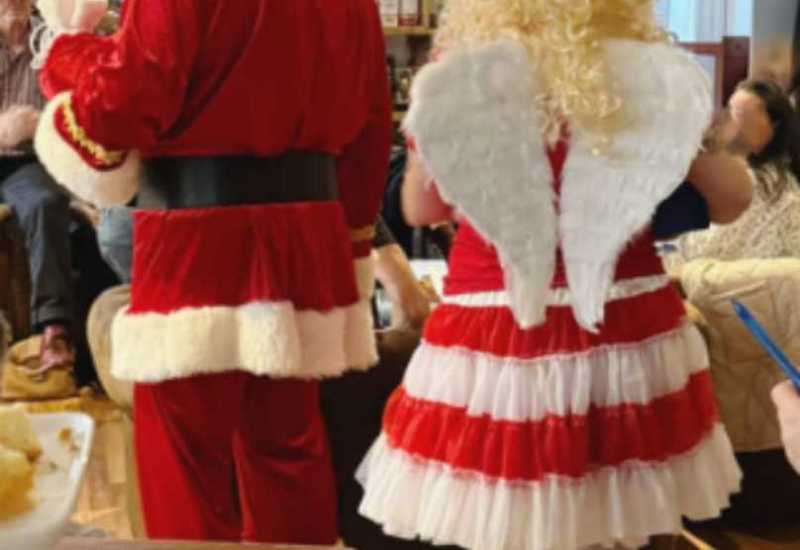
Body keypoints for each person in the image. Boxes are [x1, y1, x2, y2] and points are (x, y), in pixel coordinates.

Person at [356, 2, 745, 549]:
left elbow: (420, 208)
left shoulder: (456, 78)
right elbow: (732, 199)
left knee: (506, 511)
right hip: (623, 319)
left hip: (497, 324)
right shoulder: (653, 75)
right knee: (618, 511)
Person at [33, 0, 390, 544]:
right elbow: (370, 128)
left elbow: (123, 104)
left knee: (186, 467)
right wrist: (352, 247)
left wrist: (66, 52)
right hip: (305, 240)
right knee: (288, 457)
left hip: (195, 242)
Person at [0, 0, 76, 376]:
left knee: (46, 203)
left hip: (28, 161)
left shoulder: (51, 39)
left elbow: (74, 108)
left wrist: (40, 123)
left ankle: (53, 329)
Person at [676, 80, 800, 262]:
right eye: (729, 109)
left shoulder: (767, 187)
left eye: (739, 115)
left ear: (773, 127)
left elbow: (703, 252)